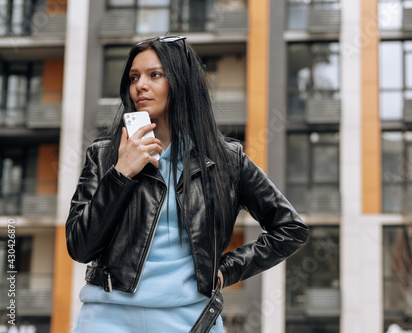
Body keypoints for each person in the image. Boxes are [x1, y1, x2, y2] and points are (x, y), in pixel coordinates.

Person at [65, 35, 308, 333]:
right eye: (134, 77)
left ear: (181, 82)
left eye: (155, 75)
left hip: (190, 319)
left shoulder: (227, 160)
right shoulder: (104, 155)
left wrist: (226, 271)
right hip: (107, 318)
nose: (140, 85)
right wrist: (121, 173)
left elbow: (291, 229)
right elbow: (80, 247)